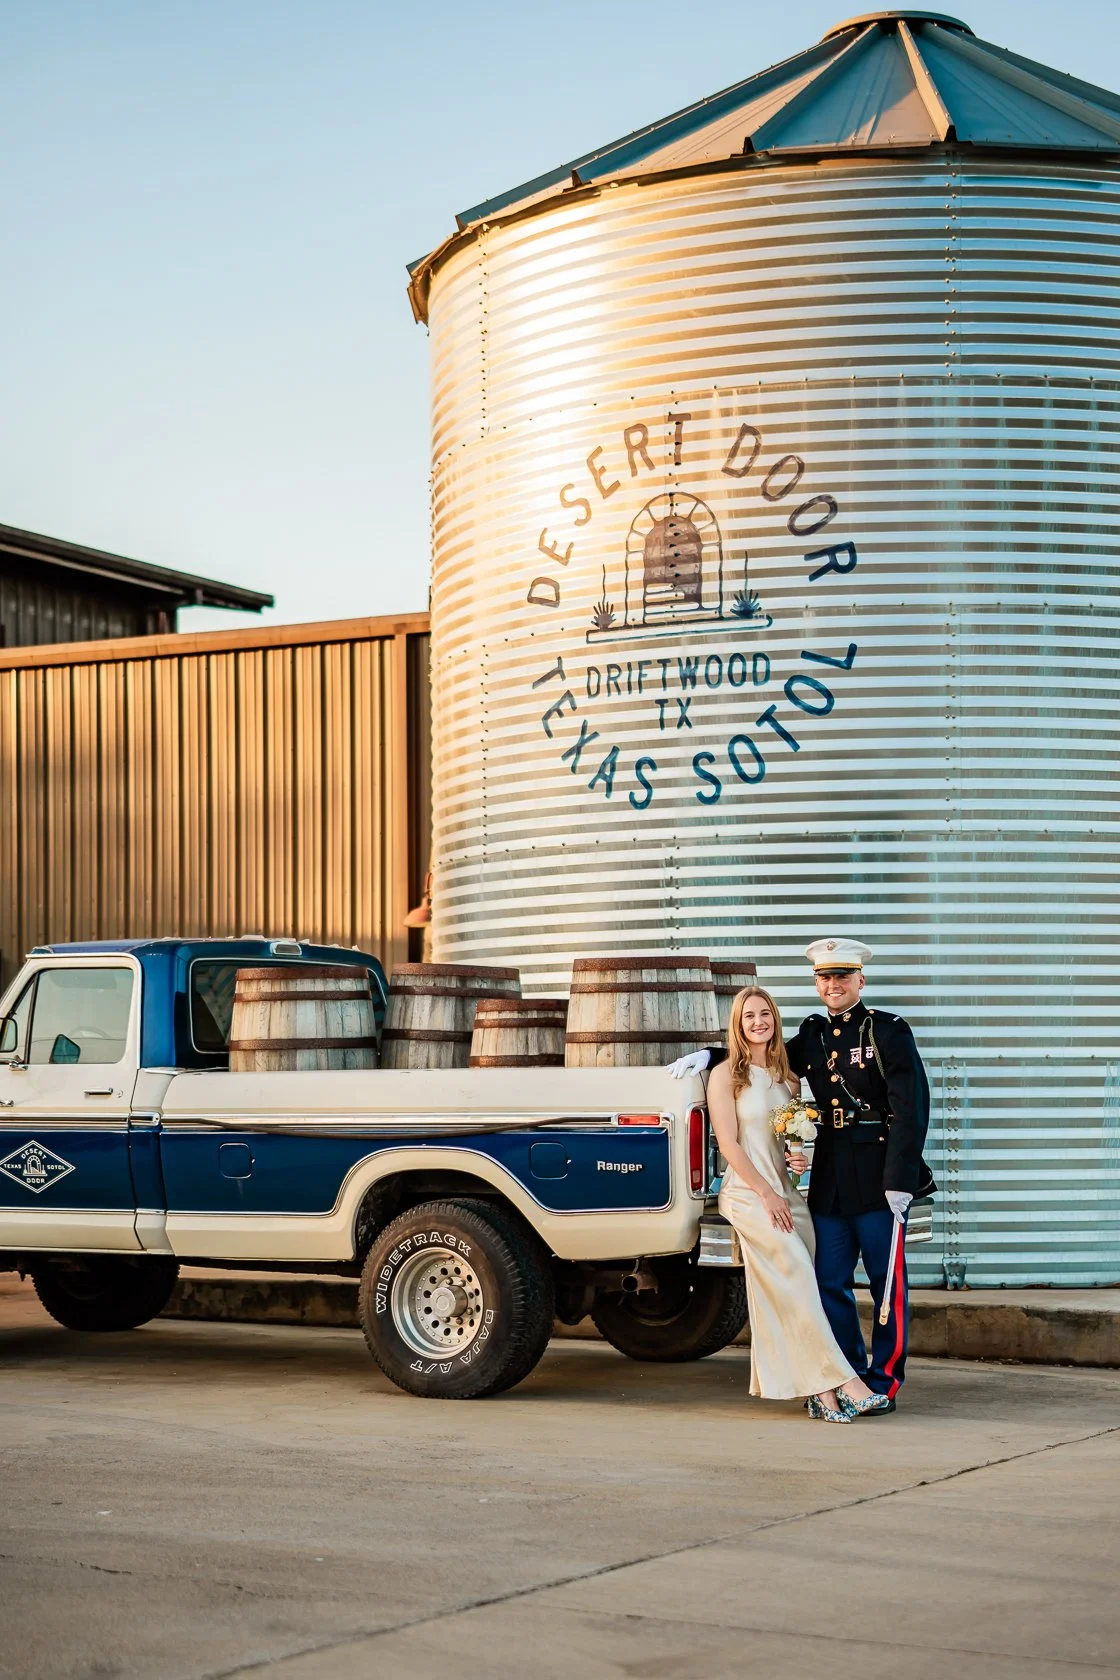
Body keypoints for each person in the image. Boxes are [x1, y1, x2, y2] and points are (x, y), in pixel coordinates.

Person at [673, 940, 933, 1412]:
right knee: (828, 1281)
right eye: (824, 978)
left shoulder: (889, 1031)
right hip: (832, 1179)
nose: (832, 985)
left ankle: (885, 1382)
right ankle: (845, 1372)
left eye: (842, 977)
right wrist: (711, 1056)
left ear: (860, 981)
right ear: (816, 984)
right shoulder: (813, 1034)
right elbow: (763, 1059)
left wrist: (901, 1179)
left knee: (886, 1285)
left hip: (879, 1177)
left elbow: (911, 1109)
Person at [708, 984, 889, 1422]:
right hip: (749, 1194)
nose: (758, 1023)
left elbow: (787, 1138)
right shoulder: (725, 1075)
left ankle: (815, 1390)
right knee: (796, 1274)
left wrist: (796, 1159)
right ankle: (843, 1381)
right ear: (738, 1023)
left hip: (786, 1191)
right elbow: (730, 1145)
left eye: (765, 1014)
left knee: (802, 1278)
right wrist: (766, 1194)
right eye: (749, 1016)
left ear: (775, 1020)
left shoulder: (788, 1078)